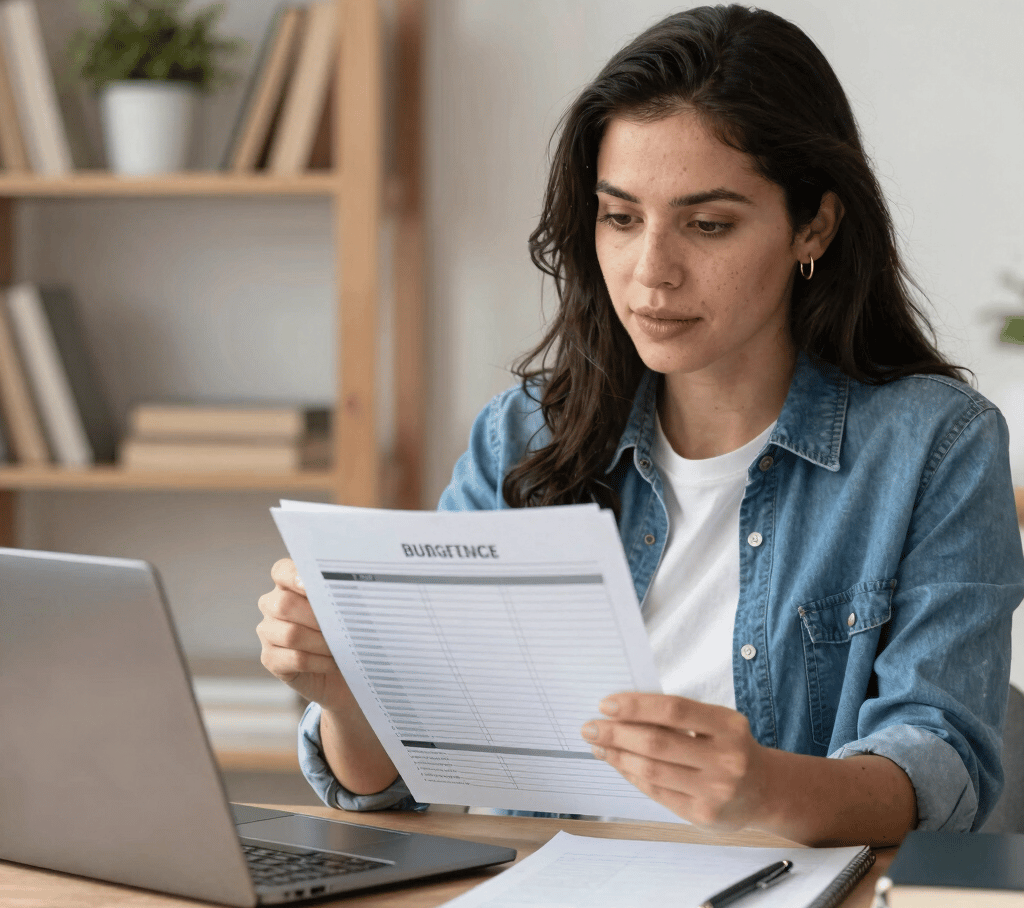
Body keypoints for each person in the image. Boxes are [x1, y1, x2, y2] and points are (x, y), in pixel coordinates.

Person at [257, 4, 1024, 847]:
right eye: (621, 218)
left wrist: (765, 788)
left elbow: (944, 766)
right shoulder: (522, 436)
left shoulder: (936, 447)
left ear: (814, 225)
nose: (651, 272)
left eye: (708, 225)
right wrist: (350, 697)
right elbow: (395, 793)